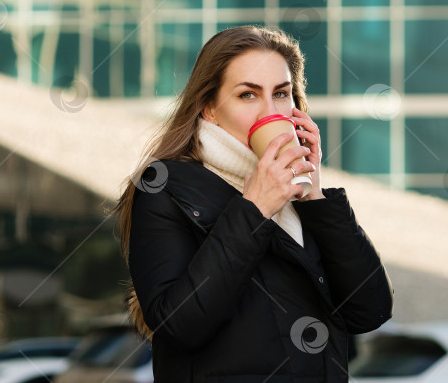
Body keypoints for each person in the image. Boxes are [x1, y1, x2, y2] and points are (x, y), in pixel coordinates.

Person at [114, 25, 393, 382]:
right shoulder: (165, 187)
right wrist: (255, 208)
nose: (268, 111)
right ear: (209, 108)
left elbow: (370, 310)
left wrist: (314, 196)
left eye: (281, 94)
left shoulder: (301, 199)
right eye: (248, 95)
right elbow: (178, 325)